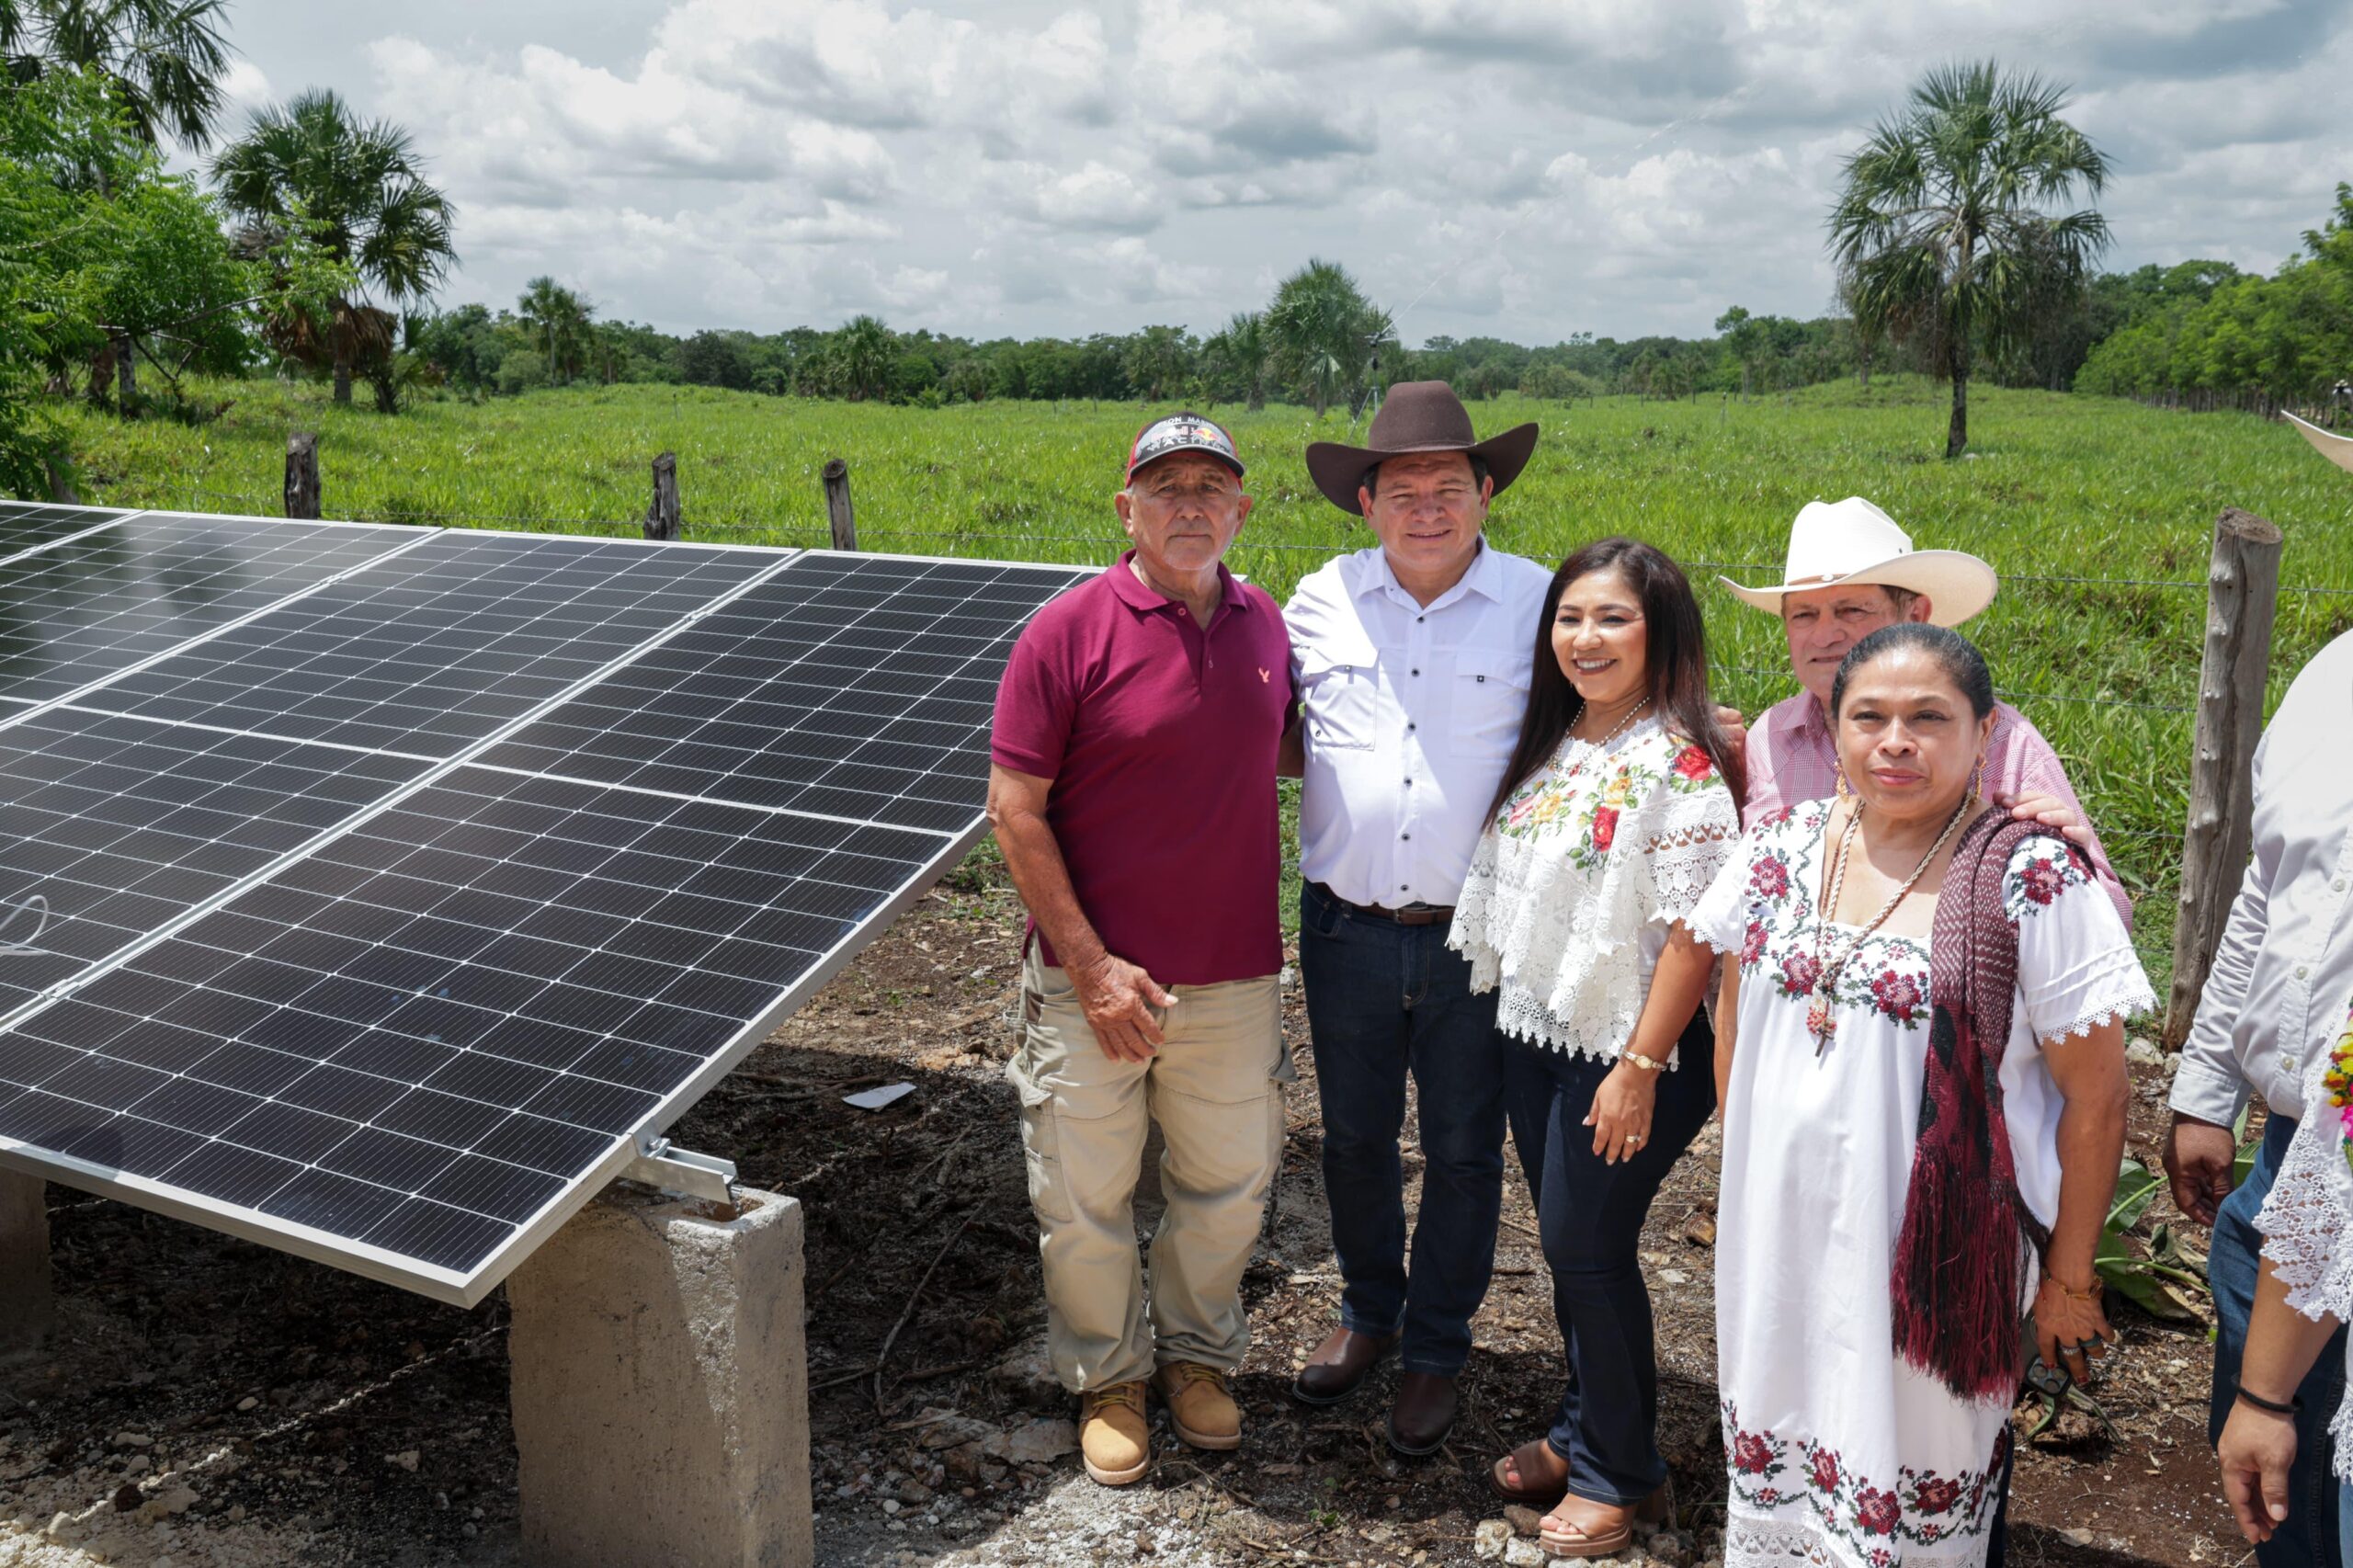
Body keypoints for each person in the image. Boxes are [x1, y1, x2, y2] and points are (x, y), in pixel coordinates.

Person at [1692, 622, 2150, 1568]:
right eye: (1869, 716)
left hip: (1932, 1259)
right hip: (1780, 1241)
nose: (1895, 741)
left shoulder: (2031, 877)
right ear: (1835, 729)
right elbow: (1732, 1019)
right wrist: (1752, 1176)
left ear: (1984, 736)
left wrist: (2069, 1280)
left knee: (1914, 1487)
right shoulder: (1778, 848)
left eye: (1928, 718)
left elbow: (2099, 1099)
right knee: (1783, 1454)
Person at [987, 412, 1293, 1487]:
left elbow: (1303, 750)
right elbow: (1014, 810)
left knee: (1229, 1183)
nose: (1190, 506)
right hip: (1095, 981)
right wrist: (1090, 965)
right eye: (1167, 488)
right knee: (1083, 1193)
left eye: (1211, 487)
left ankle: (1197, 1355)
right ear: (1127, 509)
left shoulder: (1266, 625)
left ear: (1240, 510)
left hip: (1235, 972)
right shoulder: (1065, 631)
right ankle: (1109, 1376)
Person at [1452, 539, 1744, 1556]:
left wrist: (1637, 1068)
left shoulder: (1683, 763)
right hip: (1540, 1031)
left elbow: (1693, 935)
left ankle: (1622, 1473)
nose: (1586, 637)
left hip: (1630, 1051)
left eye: (1613, 617)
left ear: (1661, 631)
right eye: (1570, 617)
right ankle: (1585, 1433)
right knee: (1570, 1250)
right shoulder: (1559, 739)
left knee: (1586, 1248)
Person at [1281, 381, 1553, 1456]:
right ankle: (1369, 1310)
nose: (1426, 508)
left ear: (1486, 491)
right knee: (1353, 1136)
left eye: (1448, 486)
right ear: (1365, 502)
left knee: (1461, 1145)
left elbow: (1611, 712)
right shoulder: (1320, 599)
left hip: (1474, 931)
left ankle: (1436, 1345)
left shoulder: (1540, 601)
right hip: (1344, 924)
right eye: (1402, 490)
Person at [1721, 496, 2130, 926]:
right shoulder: (1770, 735)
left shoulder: (2004, 739)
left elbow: (2111, 919)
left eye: (1852, 610)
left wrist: (2072, 872)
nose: (1824, 635)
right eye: (1804, 615)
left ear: (1915, 615)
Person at [2187, 628, 2353, 1564]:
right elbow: (2267, 889)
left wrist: (2265, 1394)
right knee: (2283, 1500)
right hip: (2289, 1150)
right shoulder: (2332, 675)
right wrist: (2207, 1088)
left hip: (2336, 1161)